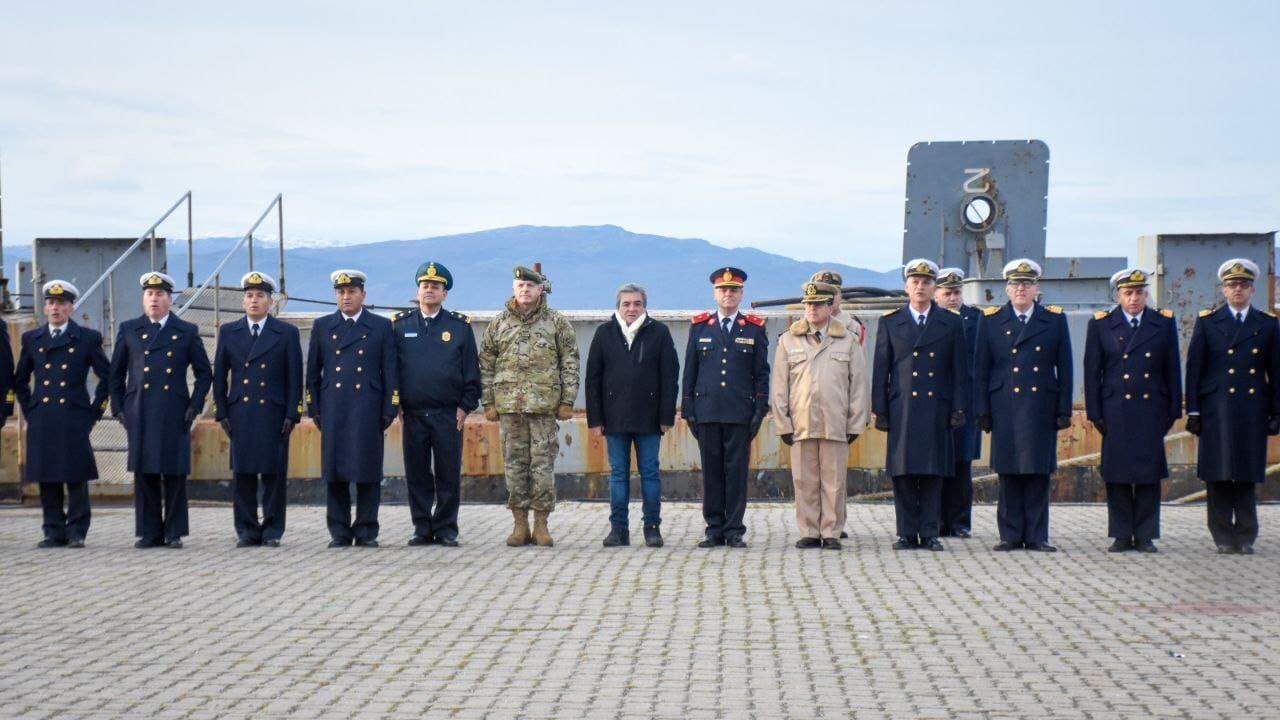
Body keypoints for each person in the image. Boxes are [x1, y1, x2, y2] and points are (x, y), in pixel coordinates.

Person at [974, 259, 1072, 552]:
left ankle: (1037, 535)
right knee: (1009, 472)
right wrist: (983, 411)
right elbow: (981, 369)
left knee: (1037, 472)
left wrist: (1063, 409)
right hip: (1004, 404)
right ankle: (1010, 534)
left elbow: (1064, 368)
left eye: (1027, 284)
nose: (1021, 289)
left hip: (1041, 404)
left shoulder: (1053, 320)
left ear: (1036, 288)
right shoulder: (991, 320)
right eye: (1016, 284)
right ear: (1007, 288)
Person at [109, 271, 212, 549]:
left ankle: (174, 531)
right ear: (143, 299)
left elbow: (204, 373)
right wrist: (118, 407)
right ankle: (149, 531)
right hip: (139, 410)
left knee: (174, 472)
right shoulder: (130, 329)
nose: (154, 299)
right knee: (145, 472)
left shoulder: (185, 331)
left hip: (174, 411)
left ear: (170, 299)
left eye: (160, 294)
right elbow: (115, 374)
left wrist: (195, 405)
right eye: (149, 294)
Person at [872, 260, 969, 551]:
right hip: (902, 407)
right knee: (903, 473)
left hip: (936, 406)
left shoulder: (951, 323)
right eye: (915, 281)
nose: (920, 286)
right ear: (906, 286)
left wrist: (959, 407)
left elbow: (960, 371)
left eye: (926, 282)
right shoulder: (890, 322)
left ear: (934, 287)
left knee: (931, 471)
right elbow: (881, 369)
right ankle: (906, 532)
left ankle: (929, 532)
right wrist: (880, 410)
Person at [1185, 258, 1280, 555]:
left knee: (1247, 473)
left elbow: (1276, 372)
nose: (1237, 290)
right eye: (1231, 285)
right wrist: (1194, 411)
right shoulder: (1208, 322)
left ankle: (1247, 534)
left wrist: (1276, 412)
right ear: (1223, 291)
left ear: (1252, 291)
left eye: (1243, 285)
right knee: (1219, 473)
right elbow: (1195, 370)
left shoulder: (1267, 324)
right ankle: (1223, 534)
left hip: (1252, 406)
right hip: (1217, 408)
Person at [480, 265, 580, 547]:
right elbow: (486, 364)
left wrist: (567, 401)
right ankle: (519, 524)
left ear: (540, 290)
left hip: (543, 407)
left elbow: (570, 362)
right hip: (509, 407)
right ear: (514, 290)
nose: (525, 291)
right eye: (520, 286)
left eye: (530, 286)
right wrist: (488, 401)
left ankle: (541, 524)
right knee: (514, 466)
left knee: (542, 466)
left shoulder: (556, 323)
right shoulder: (499, 324)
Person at [1084, 268, 1181, 553]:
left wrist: (1174, 409)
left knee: (1148, 475)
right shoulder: (1102, 324)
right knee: (1118, 474)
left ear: (1146, 294)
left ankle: (1146, 534)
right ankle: (1122, 533)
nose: (1134, 298)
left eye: (1139, 292)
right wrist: (1095, 412)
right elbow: (1093, 372)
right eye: (1128, 293)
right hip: (1115, 409)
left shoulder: (1161, 323)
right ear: (1118, 295)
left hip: (1152, 409)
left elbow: (1172, 370)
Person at [771, 280, 870, 550]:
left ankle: (831, 532)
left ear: (830, 306)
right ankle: (809, 531)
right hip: (800, 421)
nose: (811, 309)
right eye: (808, 304)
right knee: (804, 480)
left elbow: (858, 384)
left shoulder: (847, 339)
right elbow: (780, 386)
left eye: (817, 305)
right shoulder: (788, 340)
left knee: (834, 481)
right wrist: (783, 423)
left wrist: (855, 422)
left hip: (835, 420)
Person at [306, 269, 399, 548]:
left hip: (368, 409)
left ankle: (367, 530)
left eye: (351, 292)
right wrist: (314, 408)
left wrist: (390, 408)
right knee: (335, 472)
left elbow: (390, 372)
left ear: (363, 295)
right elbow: (312, 373)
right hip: (334, 409)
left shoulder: (380, 326)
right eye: (341, 292)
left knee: (368, 472)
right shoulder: (322, 326)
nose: (346, 297)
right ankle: (340, 531)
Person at [392, 261, 480, 547]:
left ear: (445, 294)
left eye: (435, 287)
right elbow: (392, 369)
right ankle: (421, 527)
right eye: (425, 286)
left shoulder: (458, 327)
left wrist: (465, 406)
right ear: (417, 291)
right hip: (413, 414)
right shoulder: (400, 326)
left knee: (447, 473)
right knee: (417, 473)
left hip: (447, 414)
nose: (429, 290)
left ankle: (445, 528)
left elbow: (471, 371)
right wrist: (396, 405)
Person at [585, 283, 679, 548]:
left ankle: (652, 528)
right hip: (614, 418)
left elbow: (670, 377)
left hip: (650, 418)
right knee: (618, 474)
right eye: (626, 304)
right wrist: (596, 419)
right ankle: (619, 529)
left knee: (650, 473)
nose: (631, 308)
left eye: (637, 304)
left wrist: (666, 415)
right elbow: (592, 379)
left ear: (644, 306)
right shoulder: (604, 333)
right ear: (618, 306)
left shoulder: (659, 332)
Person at [16, 281, 109, 548]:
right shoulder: (32, 339)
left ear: (71, 308)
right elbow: (21, 379)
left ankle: (77, 530)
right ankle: (53, 530)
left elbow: (107, 376)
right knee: (48, 475)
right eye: (51, 303)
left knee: (75, 475)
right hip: (43, 416)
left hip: (74, 416)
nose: (55, 308)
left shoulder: (86, 338)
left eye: (61, 304)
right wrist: (30, 409)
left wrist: (94, 412)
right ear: (45, 307)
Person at [682, 267, 770, 549]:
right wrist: (689, 410)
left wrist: (759, 410)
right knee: (711, 471)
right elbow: (690, 372)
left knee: (736, 472)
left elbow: (761, 373)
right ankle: (714, 528)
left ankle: (734, 529)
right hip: (707, 410)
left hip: (739, 412)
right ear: (715, 294)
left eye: (734, 290)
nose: (728, 294)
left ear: (741, 294)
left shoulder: (754, 328)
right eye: (723, 290)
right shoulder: (700, 327)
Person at [212, 271, 302, 548]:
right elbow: (219, 375)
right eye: (249, 296)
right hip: (241, 412)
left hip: (273, 413)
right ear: (243, 302)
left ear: (270, 302)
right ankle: (247, 530)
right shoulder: (229, 332)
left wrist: (292, 413)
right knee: (244, 474)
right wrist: (222, 411)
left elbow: (295, 376)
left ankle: (273, 530)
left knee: (274, 474)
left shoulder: (286, 333)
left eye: (260, 296)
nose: (254, 301)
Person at [934, 267, 982, 538]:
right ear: (937, 294)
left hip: (967, 403)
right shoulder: (935, 320)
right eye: (947, 293)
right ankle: (938, 520)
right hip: (939, 401)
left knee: (962, 465)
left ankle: (961, 522)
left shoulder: (976, 319)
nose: (952, 297)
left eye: (956, 292)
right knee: (939, 463)